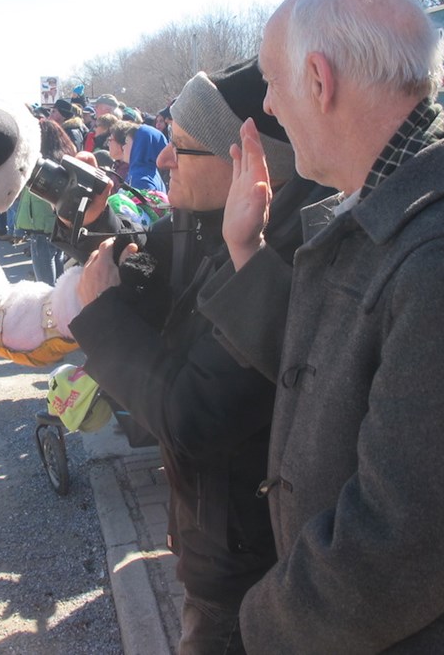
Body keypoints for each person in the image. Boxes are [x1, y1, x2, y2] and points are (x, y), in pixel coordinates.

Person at [199, 0, 444, 653]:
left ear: (319, 80)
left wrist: (255, 629)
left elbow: (405, 542)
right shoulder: (398, 209)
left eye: (273, 85)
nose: (272, 108)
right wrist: (244, 245)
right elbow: (334, 372)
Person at [70, 58, 330, 655]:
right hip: (215, 536)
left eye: (183, 146)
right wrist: (97, 229)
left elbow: (194, 415)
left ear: (251, 163)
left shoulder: (281, 255)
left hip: (244, 563)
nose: (162, 158)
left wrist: (103, 319)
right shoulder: (219, 225)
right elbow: (157, 281)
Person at [14, 120, 76, 284]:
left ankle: (50, 307)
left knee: (44, 282)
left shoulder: (41, 165)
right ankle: (59, 303)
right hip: (57, 224)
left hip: (40, 226)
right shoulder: (63, 159)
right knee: (58, 270)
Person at [123, 123, 167, 194]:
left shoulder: (141, 180)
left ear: (139, 145)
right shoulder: (149, 172)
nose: (123, 147)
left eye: (127, 142)